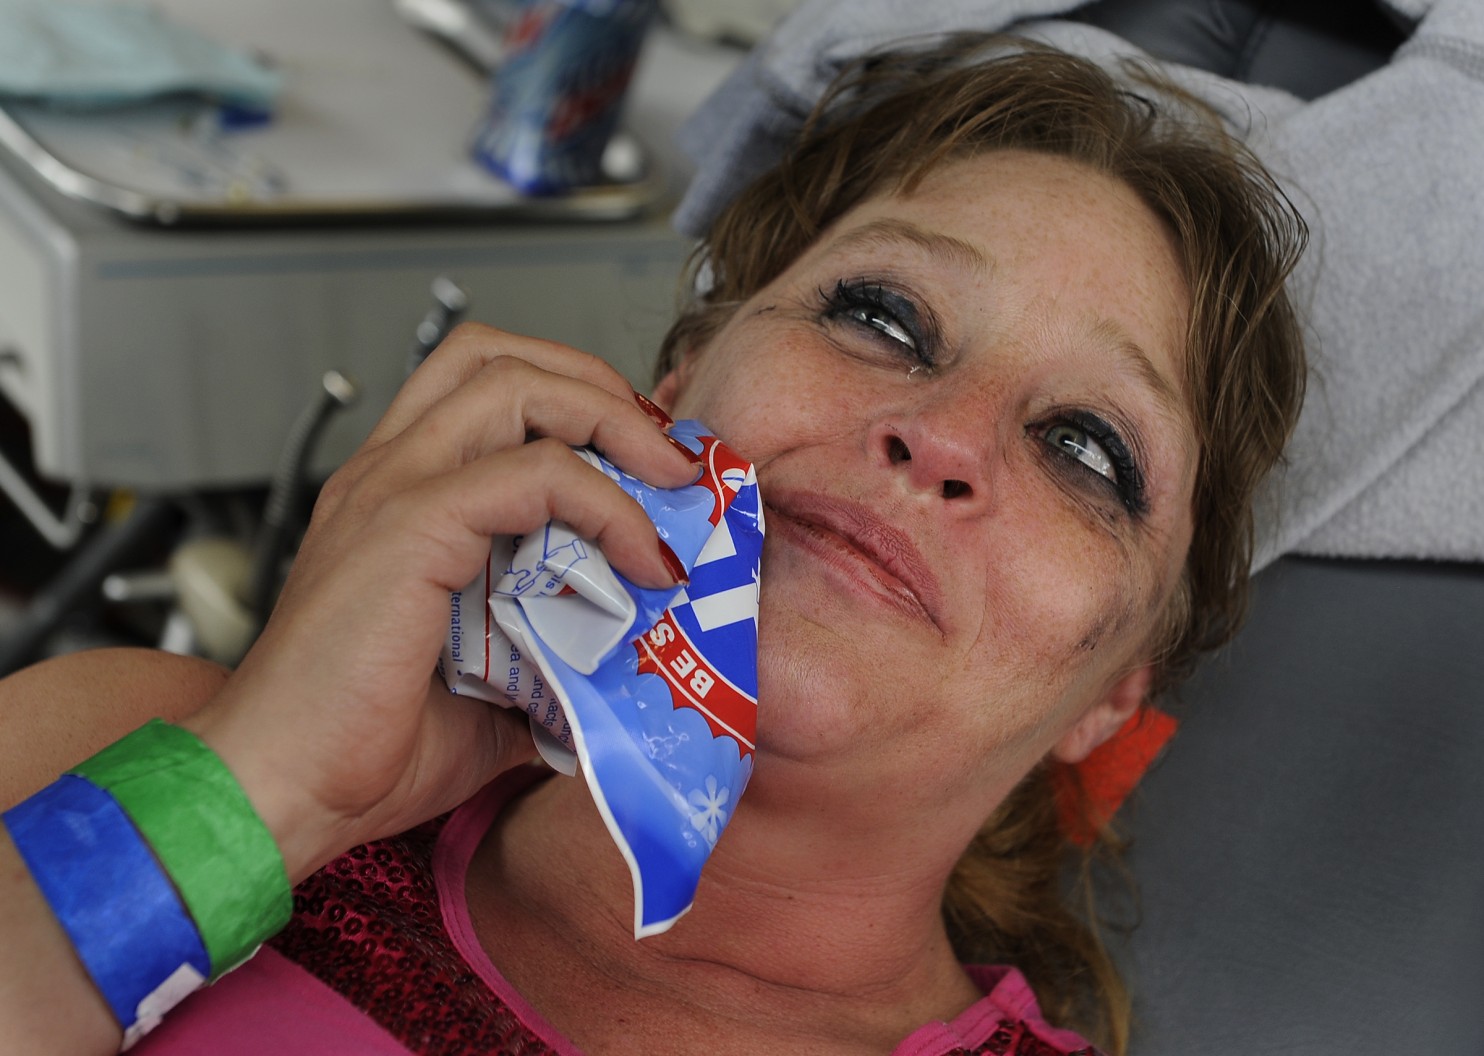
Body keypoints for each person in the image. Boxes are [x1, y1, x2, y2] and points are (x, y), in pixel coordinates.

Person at [0, 35, 1306, 1056]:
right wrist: (266, 798)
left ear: (1120, 687)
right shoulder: (128, 754)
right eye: (884, 319)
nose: (938, 435)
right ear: (671, 391)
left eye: (1087, 448)